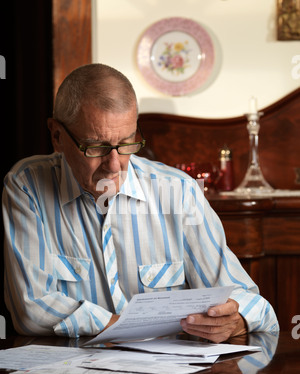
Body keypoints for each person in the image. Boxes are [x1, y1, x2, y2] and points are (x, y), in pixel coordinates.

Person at [2, 64, 279, 342]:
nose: (114, 165)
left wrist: (236, 318)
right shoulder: (26, 186)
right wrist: (127, 327)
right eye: (96, 147)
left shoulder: (180, 191)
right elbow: (31, 307)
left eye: (126, 144)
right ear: (57, 136)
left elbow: (248, 300)